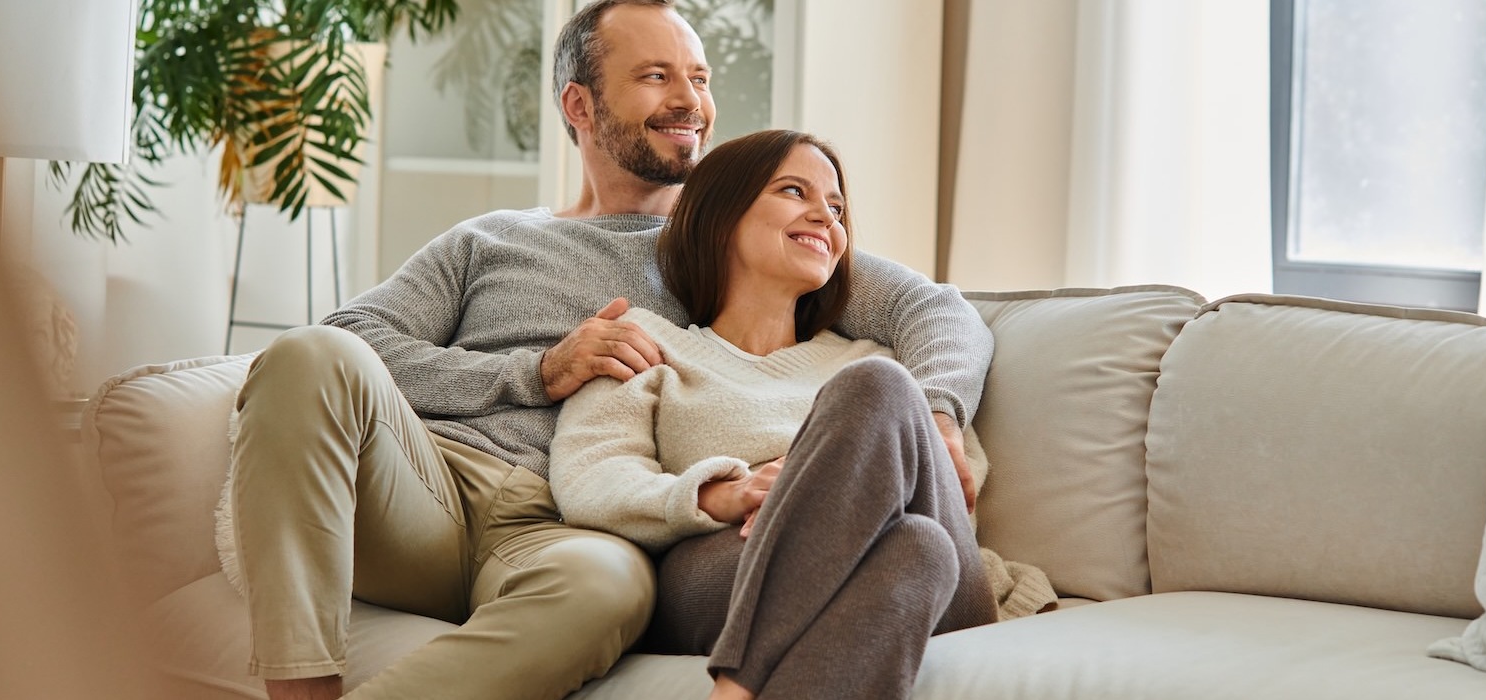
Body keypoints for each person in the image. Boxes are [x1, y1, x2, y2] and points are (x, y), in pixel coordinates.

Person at [223, 1, 994, 699]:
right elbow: (350, 338)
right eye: (657, 77)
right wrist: (535, 371)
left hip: (563, 528)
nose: (691, 101)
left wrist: (941, 413)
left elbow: (937, 313)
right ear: (579, 105)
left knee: (610, 590)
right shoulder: (490, 240)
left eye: (698, 77)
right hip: (427, 486)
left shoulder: (732, 242)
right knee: (308, 354)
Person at [549, 129, 998, 700]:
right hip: (723, 568)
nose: (825, 218)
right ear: (720, 214)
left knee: (878, 393)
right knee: (915, 550)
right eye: (794, 191)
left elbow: (955, 489)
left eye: (836, 208)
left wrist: (819, 492)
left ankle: (735, 687)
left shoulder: (879, 366)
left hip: (947, 586)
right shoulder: (646, 345)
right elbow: (589, 479)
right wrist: (716, 493)